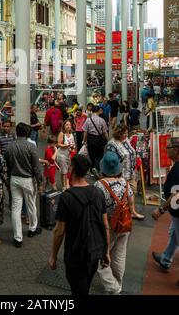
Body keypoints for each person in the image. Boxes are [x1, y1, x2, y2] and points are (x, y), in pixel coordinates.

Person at [49, 154, 109, 296]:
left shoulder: (66, 197)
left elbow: (59, 231)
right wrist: (106, 252)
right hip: (94, 251)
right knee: (84, 286)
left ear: (72, 169)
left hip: (75, 254)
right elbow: (105, 225)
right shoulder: (98, 192)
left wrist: (53, 255)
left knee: (78, 289)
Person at [95, 151, 134, 295]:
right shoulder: (125, 182)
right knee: (119, 256)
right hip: (124, 224)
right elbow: (130, 203)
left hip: (108, 227)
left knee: (102, 257)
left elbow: (96, 208)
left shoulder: (99, 185)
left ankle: (113, 287)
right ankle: (118, 283)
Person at [4, 122, 43, 248]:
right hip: (28, 180)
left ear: (17, 132)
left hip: (14, 179)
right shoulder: (31, 147)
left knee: (16, 208)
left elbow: (7, 164)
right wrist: (40, 181)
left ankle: (18, 238)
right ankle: (32, 229)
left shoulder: (10, 146)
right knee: (31, 204)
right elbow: (36, 167)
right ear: (27, 133)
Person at [151, 138, 179, 287]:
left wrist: (161, 209)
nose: (166, 149)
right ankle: (165, 260)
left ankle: (165, 260)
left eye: (168, 147)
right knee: (174, 235)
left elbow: (177, 196)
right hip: (176, 213)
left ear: (175, 149)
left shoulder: (177, 169)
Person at [83, 105, 108, 174]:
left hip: (90, 138)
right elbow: (105, 132)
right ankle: (96, 167)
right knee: (99, 154)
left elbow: (85, 132)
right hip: (98, 139)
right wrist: (107, 139)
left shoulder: (88, 120)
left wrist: (84, 141)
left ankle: (92, 169)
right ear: (98, 111)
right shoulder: (102, 120)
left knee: (91, 154)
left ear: (92, 111)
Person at [57, 120, 76, 191]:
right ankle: (64, 186)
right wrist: (65, 145)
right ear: (64, 126)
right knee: (64, 171)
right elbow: (58, 144)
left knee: (69, 170)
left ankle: (67, 183)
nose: (68, 126)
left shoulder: (72, 134)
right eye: (67, 125)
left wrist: (73, 148)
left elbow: (73, 144)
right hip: (62, 155)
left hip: (69, 154)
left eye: (69, 125)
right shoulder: (62, 134)